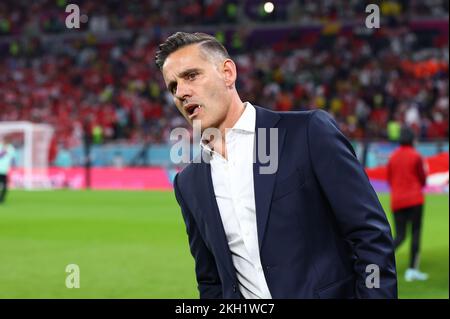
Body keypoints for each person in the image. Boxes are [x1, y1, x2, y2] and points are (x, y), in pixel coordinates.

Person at [155, 32, 397, 299]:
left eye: (191, 76)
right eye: (173, 86)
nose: (182, 92)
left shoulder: (307, 133)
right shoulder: (188, 183)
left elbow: (369, 235)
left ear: (227, 73)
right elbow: (210, 280)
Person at [387, 127, 428, 282]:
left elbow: (389, 179)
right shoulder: (416, 156)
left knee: (400, 236)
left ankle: (380, 257)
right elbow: (422, 178)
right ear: (412, 140)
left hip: (397, 200)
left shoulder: (392, 157)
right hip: (415, 199)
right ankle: (412, 270)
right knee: (416, 233)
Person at [0, 136, 16, 204]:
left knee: (5, 185)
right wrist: (4, 151)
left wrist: (13, 165)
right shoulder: (0, 146)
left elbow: (13, 158)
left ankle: (2, 199)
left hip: (4, 170)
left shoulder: (11, 148)